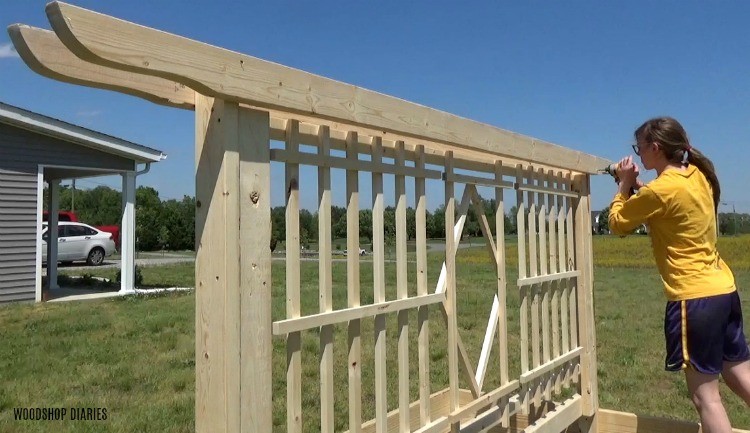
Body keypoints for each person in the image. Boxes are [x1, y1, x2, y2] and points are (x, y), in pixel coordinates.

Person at [608, 117, 750, 432]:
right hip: (723, 291)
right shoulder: (698, 175)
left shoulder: (660, 191)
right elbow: (668, 208)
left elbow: (617, 224)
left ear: (655, 147)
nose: (638, 155)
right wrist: (638, 189)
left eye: (640, 148)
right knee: (740, 375)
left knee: (706, 398)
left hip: (694, 298)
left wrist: (623, 185)